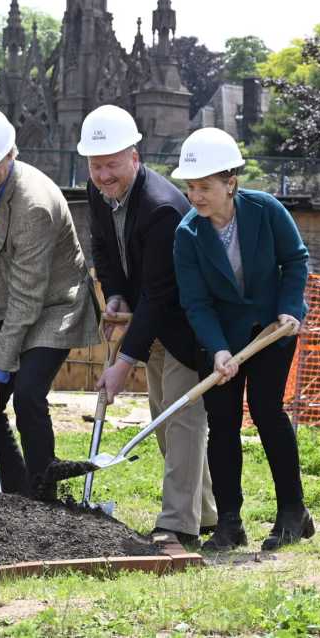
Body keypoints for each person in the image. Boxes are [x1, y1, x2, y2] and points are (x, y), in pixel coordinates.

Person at [79, 104, 217, 547]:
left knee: (182, 419)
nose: (103, 175)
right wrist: (115, 294)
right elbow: (103, 247)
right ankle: (207, 511)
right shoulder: (98, 192)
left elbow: (161, 294)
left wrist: (122, 363)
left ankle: (179, 523)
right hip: (149, 318)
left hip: (186, 324)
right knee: (164, 419)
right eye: (96, 165)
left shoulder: (161, 208)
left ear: (134, 157)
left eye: (112, 164)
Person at [171, 127, 312, 552]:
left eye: (205, 186)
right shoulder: (188, 234)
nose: (196, 195)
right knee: (224, 424)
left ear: (230, 182)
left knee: (268, 411)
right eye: (191, 187)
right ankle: (229, 523)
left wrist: (291, 309)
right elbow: (196, 302)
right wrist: (218, 351)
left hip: (271, 331)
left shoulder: (265, 210)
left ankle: (293, 511)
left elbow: (295, 260)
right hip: (219, 338)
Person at [0, 106, 98, 498]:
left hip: (55, 306)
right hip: (14, 303)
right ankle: (16, 495)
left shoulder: (33, 206)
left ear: (11, 154)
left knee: (29, 394)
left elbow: (27, 299)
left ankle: (43, 495)